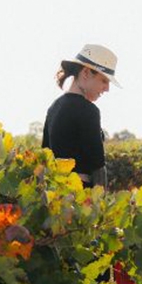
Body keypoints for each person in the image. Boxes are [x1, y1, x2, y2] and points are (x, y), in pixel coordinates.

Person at [42, 44, 120, 189]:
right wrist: (99, 204)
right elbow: (97, 166)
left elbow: (44, 157)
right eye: (104, 81)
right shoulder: (89, 110)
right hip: (81, 196)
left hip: (55, 194)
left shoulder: (53, 108)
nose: (107, 89)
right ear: (85, 73)